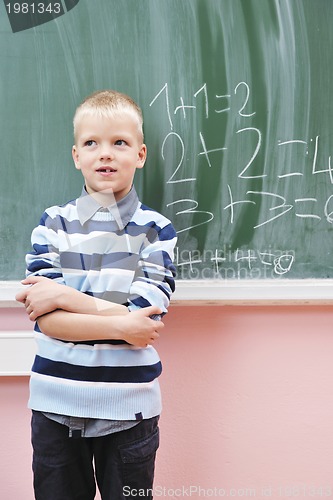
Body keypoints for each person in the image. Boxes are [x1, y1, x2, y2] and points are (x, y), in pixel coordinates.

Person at [16, 89, 177, 500]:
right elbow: (49, 320)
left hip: (130, 413)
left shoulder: (156, 231)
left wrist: (67, 298)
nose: (105, 154)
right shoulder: (52, 225)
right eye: (92, 143)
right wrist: (120, 322)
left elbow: (143, 319)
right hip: (55, 407)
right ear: (76, 155)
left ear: (140, 154)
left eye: (119, 142)